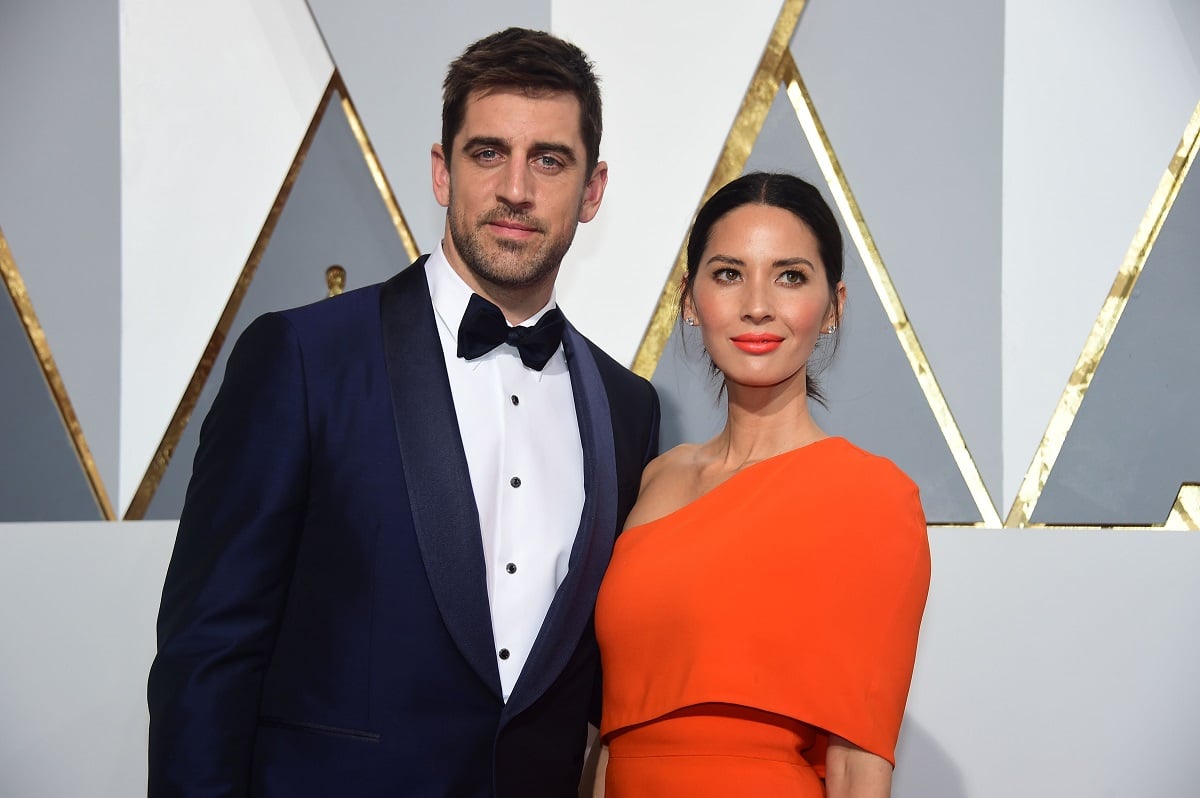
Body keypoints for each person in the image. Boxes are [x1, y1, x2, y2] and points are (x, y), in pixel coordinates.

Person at [147, 27, 660, 798]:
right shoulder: (301, 357)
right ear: (441, 171)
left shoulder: (628, 407)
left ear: (592, 190)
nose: (516, 189)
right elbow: (208, 655)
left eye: (548, 160)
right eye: (488, 153)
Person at [595, 172, 930, 797]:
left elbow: (860, 766)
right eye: (728, 273)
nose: (757, 304)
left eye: (790, 276)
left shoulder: (871, 497)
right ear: (690, 300)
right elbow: (608, 738)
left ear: (832, 307)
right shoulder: (654, 479)